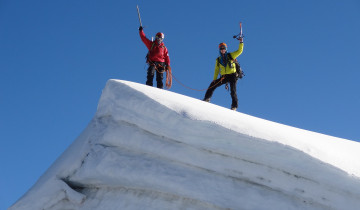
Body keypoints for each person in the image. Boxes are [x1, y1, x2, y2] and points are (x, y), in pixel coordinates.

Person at [203, 37, 244, 110]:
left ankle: (234, 106)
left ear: (226, 49)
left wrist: (241, 42)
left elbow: (240, 51)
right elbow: (216, 70)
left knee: (233, 91)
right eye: (221, 48)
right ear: (219, 50)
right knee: (212, 85)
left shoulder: (231, 55)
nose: (223, 50)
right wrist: (214, 79)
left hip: (233, 76)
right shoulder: (218, 60)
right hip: (224, 76)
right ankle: (207, 98)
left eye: (224, 48)